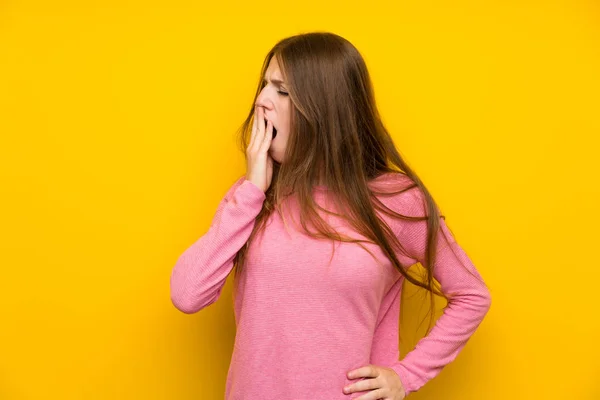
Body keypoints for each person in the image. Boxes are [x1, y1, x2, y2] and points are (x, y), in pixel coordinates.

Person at [170, 31, 492, 400]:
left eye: (281, 90)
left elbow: (472, 294)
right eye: (264, 86)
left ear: (324, 107)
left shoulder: (396, 201)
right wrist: (252, 191)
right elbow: (187, 294)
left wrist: (406, 375)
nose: (261, 101)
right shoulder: (252, 198)